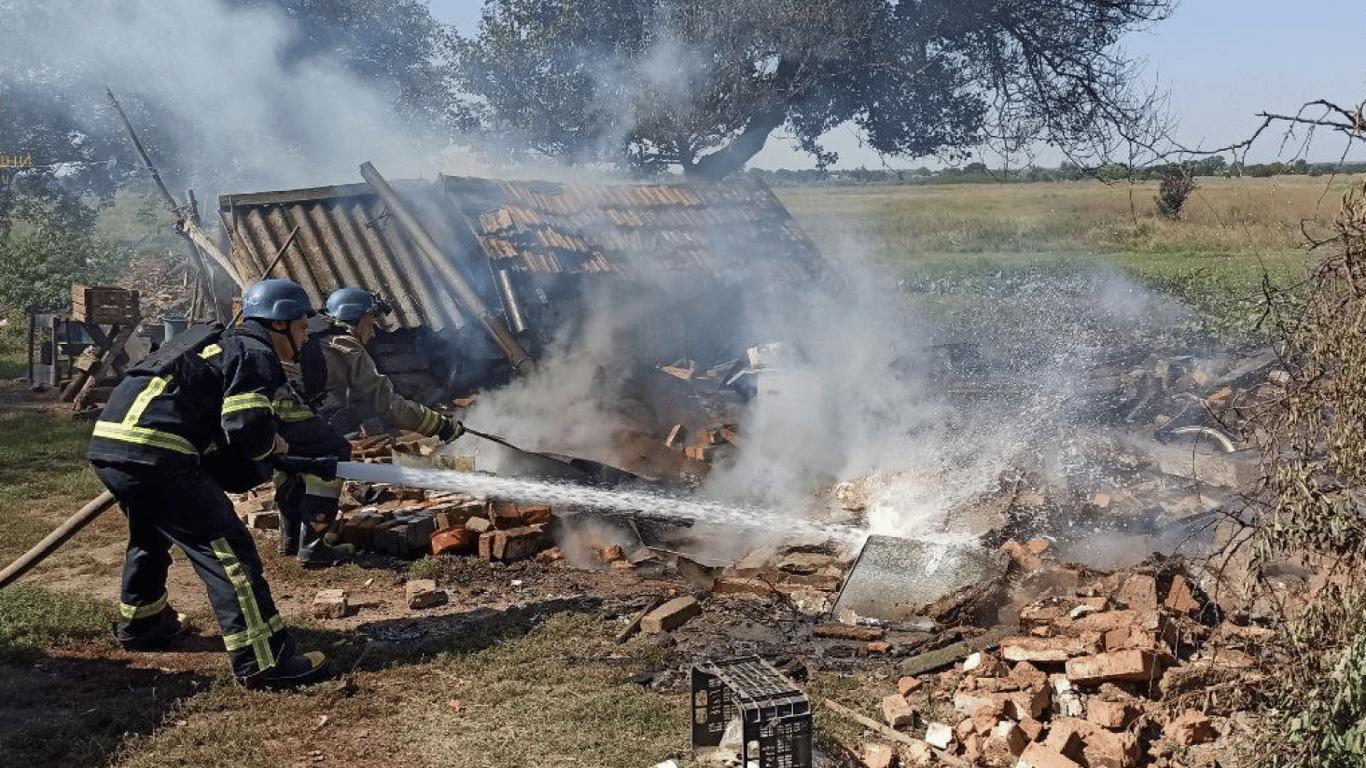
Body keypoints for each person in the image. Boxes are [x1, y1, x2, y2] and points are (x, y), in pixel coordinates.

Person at [87, 278, 328, 690]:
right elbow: (246, 428)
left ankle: (144, 622)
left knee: (149, 534)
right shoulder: (255, 352)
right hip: (157, 453)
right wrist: (273, 443)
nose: (305, 337)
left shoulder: (213, 344)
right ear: (279, 324)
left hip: (111, 444)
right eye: (303, 326)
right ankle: (264, 660)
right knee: (229, 550)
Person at [271, 287, 463, 566]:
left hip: (271, 420)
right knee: (330, 461)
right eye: (371, 323)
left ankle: (289, 538)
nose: (373, 333)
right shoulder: (344, 345)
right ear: (355, 318)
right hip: (293, 419)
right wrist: (440, 426)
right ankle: (314, 547)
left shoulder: (311, 335)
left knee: (290, 466)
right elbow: (390, 406)